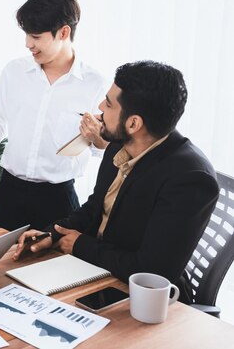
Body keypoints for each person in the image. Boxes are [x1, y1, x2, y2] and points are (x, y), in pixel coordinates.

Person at [13, 61, 219, 303]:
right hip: (95, 273)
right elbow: (95, 206)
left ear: (133, 123)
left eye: (109, 103)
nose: (100, 107)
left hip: (141, 301)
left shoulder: (191, 178)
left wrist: (80, 245)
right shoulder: (119, 146)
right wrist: (52, 234)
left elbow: (153, 271)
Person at [0, 0, 108, 231]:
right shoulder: (14, 72)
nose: (28, 44)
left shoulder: (96, 84)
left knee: (57, 266)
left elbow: (103, 148)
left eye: (36, 36)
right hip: (11, 190)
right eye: (27, 35)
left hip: (58, 197)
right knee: (4, 264)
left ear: (64, 32)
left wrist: (98, 138)